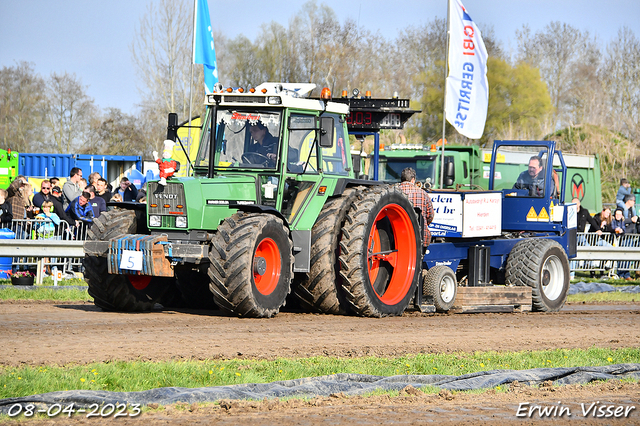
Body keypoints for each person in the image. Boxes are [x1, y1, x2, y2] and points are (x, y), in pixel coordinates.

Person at [398, 167, 434, 250]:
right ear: (413, 180)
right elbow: (430, 215)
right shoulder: (423, 194)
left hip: (398, 237)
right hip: (420, 237)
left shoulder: (395, 191)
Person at [611, 208, 633, 280]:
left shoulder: (622, 221)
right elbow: (612, 227)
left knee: (625, 256)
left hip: (621, 240)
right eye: (617, 214)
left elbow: (623, 229)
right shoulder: (613, 221)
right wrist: (616, 230)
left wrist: (621, 230)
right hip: (614, 241)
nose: (618, 216)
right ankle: (620, 273)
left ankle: (626, 274)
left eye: (620, 214)